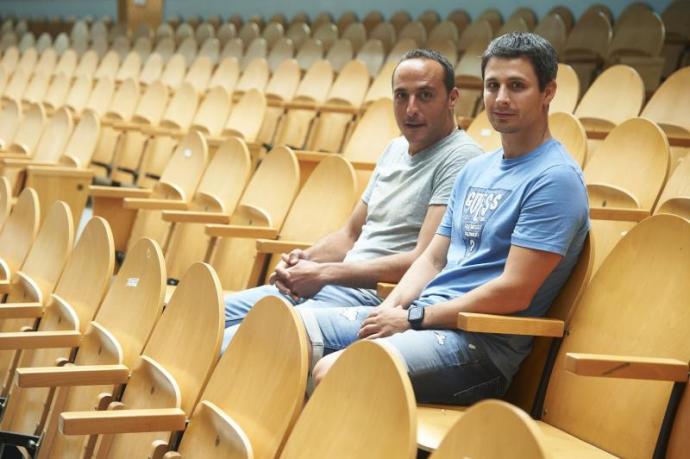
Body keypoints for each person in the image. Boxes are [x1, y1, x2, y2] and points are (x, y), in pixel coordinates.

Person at [301, 32, 590, 405]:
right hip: (424, 320)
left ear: (548, 92)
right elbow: (433, 258)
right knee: (286, 329)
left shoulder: (555, 179)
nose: (501, 98)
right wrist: (390, 310)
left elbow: (515, 290)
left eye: (517, 86)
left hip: (478, 349)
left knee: (336, 371)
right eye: (493, 85)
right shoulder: (476, 170)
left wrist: (414, 317)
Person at [220, 49, 483, 351]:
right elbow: (349, 235)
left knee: (237, 342)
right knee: (206, 315)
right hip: (333, 285)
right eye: (401, 96)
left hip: (374, 299)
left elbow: (422, 260)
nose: (411, 109)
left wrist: (323, 273)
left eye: (425, 95)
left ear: (452, 98)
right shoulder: (394, 149)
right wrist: (304, 261)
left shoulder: (461, 158)